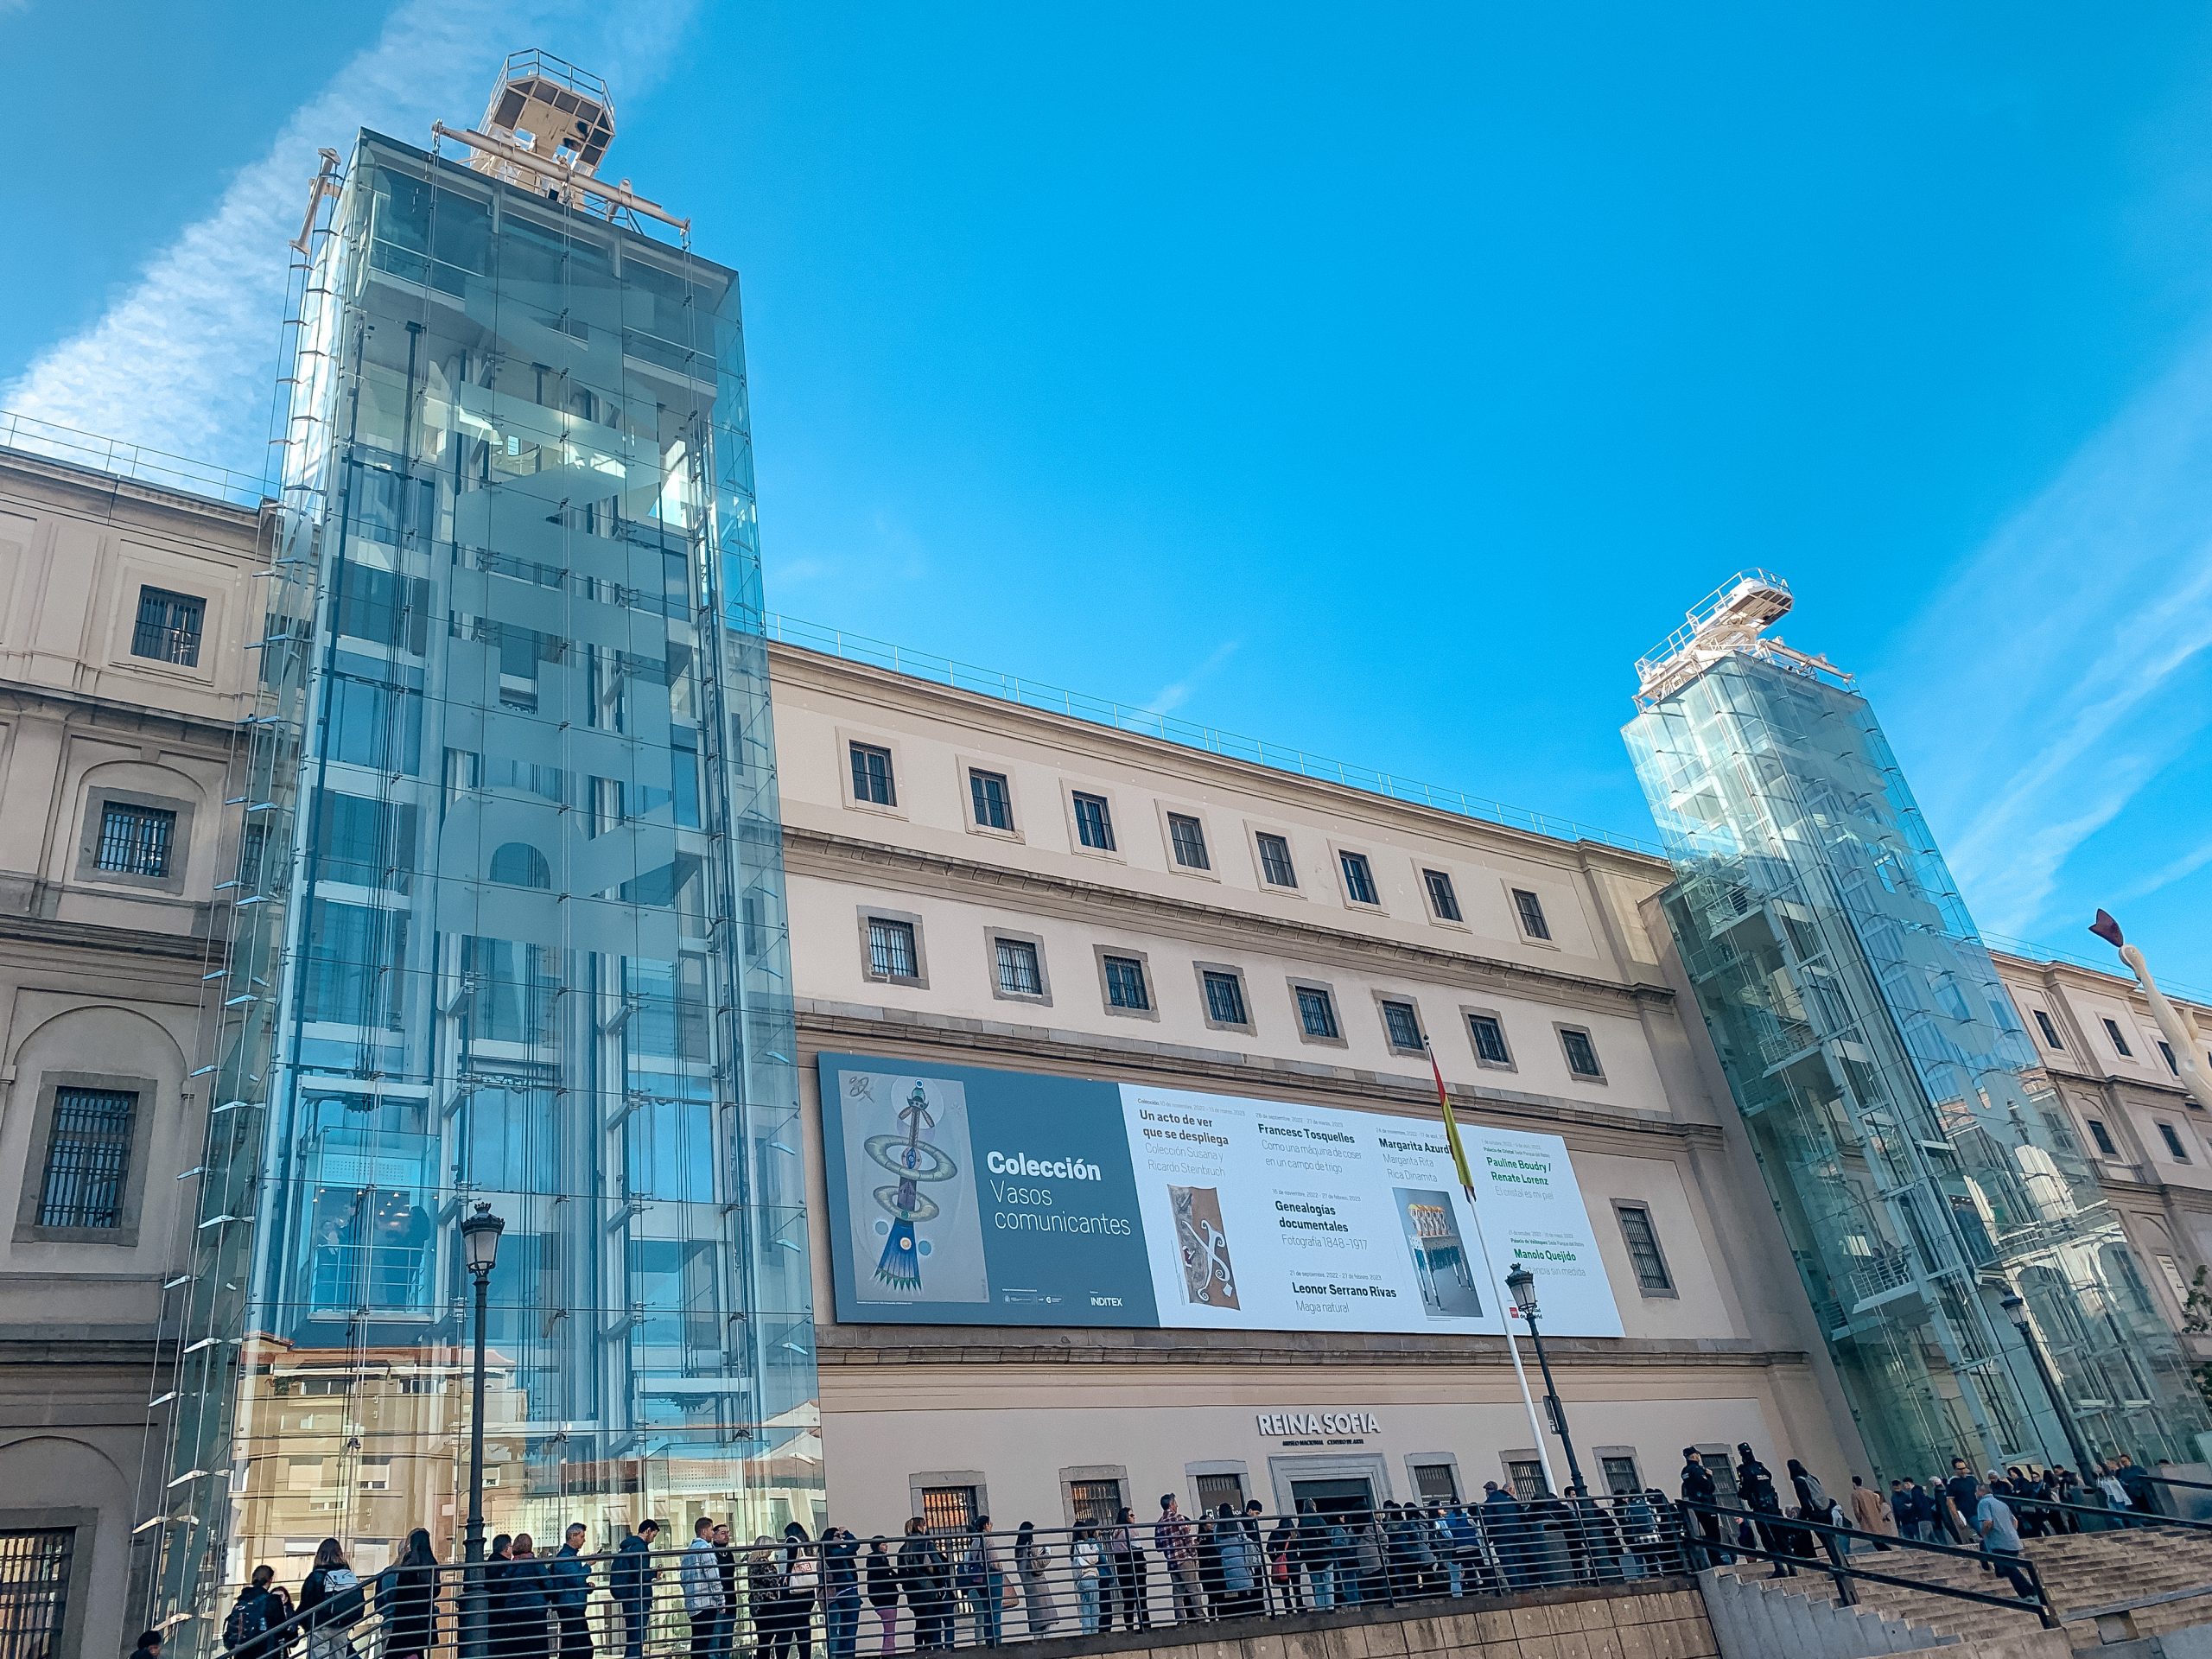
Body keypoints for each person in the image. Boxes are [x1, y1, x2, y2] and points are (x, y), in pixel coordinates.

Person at [298, 1539, 366, 1659]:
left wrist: (305, 1625)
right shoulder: (347, 1575)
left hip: (320, 1626)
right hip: (342, 1626)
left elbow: (306, 1604)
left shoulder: (316, 1576)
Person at [379, 1529, 442, 1659]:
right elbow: (436, 1591)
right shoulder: (431, 1564)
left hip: (406, 1619)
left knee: (396, 1653)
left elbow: (401, 1591)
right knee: (417, 1652)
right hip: (424, 1619)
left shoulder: (409, 1563)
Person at [1974, 1483, 2037, 1600]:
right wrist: (2011, 1531)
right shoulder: (2001, 1503)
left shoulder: (1983, 1503)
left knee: (2009, 1568)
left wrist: (1982, 1535)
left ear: (1981, 1492)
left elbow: (1987, 1522)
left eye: (1976, 1491)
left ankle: (2028, 1592)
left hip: (1999, 1541)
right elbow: (2015, 1521)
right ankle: (2029, 1591)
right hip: (2012, 1539)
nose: (1975, 1494)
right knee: (2010, 1567)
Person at [895, 1519, 950, 1652]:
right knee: (933, 1623)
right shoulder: (926, 1544)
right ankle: (933, 1650)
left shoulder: (903, 1549)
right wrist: (941, 1584)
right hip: (929, 1590)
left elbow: (902, 1574)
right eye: (924, 1525)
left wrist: (908, 1588)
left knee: (920, 1622)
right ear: (920, 1527)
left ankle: (920, 1650)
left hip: (913, 1594)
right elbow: (939, 1566)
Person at [1735, 1446, 1791, 1576]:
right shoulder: (1761, 1468)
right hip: (1774, 1508)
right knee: (1781, 1539)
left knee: (1769, 1540)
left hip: (1762, 1510)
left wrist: (1742, 1491)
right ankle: (1791, 1567)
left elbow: (1745, 1491)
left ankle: (1780, 1568)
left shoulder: (1746, 1470)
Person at [611, 1521, 660, 1659]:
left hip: (629, 1596)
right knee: (637, 1640)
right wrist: (654, 1574)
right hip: (637, 1597)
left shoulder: (629, 1545)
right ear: (648, 1530)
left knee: (633, 1638)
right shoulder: (640, 1548)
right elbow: (642, 1574)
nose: (653, 1539)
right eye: (653, 1535)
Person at [543, 1525, 592, 1659]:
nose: (584, 1540)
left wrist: (586, 1587)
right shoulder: (565, 1557)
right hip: (570, 1605)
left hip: (573, 1604)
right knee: (574, 1645)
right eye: (581, 1537)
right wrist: (588, 1566)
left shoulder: (569, 1556)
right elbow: (575, 1579)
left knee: (580, 1645)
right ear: (573, 1536)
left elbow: (572, 1580)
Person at [682, 1517, 728, 1659]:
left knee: (697, 1642)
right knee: (704, 1643)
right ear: (704, 1531)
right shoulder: (706, 1549)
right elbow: (713, 1576)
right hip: (706, 1602)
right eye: (711, 1530)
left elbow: (683, 1578)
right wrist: (721, 1600)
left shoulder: (689, 1551)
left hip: (693, 1603)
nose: (713, 1533)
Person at [1154, 1495, 1200, 1624]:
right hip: (1183, 1559)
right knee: (1194, 1589)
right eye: (1176, 1503)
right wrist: (1193, 1552)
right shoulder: (1178, 1518)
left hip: (1171, 1562)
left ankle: (1181, 1620)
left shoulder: (1159, 1523)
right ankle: (1200, 1617)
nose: (1177, 1505)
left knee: (1178, 1592)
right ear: (1171, 1504)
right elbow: (1187, 1539)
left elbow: (1158, 1546)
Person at [778, 1522, 819, 1659]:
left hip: (792, 1593)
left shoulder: (792, 1541)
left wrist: (787, 1576)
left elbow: (790, 1560)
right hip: (807, 1593)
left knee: (786, 1630)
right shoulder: (806, 1543)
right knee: (804, 1630)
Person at [1679, 1449, 1725, 1567]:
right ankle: (1717, 1560)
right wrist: (1709, 1476)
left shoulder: (1685, 1471)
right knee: (1714, 1533)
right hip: (1706, 1504)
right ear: (1693, 1456)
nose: (1699, 1456)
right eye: (1697, 1454)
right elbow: (1708, 1487)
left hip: (1697, 1505)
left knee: (1709, 1533)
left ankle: (1715, 1559)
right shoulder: (1697, 1470)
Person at [225, 1566, 283, 1659]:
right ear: (270, 1580)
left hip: (241, 1653)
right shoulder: (272, 1600)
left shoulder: (242, 1600)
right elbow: (281, 1628)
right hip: (263, 1652)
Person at [821, 1527, 861, 1659]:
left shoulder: (831, 1552)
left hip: (844, 1593)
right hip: (848, 1593)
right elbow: (855, 1546)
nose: (840, 1538)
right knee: (849, 1632)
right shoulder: (834, 1552)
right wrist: (847, 1534)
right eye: (837, 1536)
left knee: (846, 1632)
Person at [1107, 1507, 1149, 1630]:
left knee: (1128, 1601)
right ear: (1126, 1517)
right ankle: (1145, 1626)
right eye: (1131, 1515)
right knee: (1141, 1600)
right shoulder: (1131, 1531)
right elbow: (1138, 1550)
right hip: (1136, 1568)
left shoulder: (1115, 1533)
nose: (1134, 1517)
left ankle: (1129, 1628)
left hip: (1123, 1570)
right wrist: (1143, 1564)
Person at [1013, 1522, 1057, 1637]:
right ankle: (1047, 1645)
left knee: (1036, 1619)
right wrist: (1048, 1552)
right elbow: (1041, 1563)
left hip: (1028, 1586)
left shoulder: (1018, 1549)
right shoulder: (1030, 1545)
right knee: (1047, 1618)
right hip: (1038, 1584)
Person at [863, 1538, 900, 1656]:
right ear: (877, 1546)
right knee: (890, 1632)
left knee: (888, 1631)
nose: (886, 1546)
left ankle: (887, 1653)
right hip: (887, 1600)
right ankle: (889, 1654)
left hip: (879, 1600)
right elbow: (891, 1577)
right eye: (884, 1544)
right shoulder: (880, 1560)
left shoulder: (874, 1560)